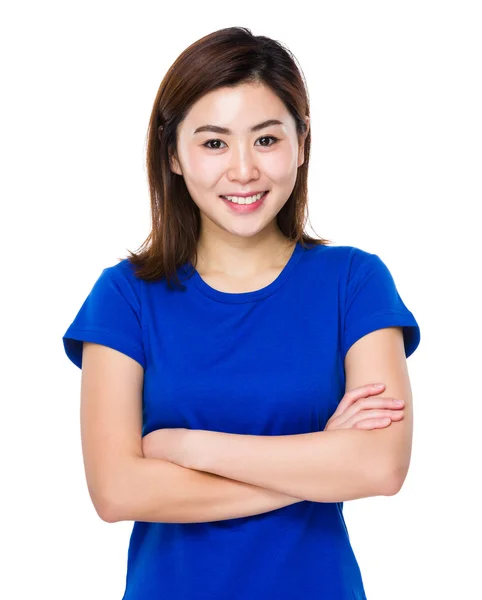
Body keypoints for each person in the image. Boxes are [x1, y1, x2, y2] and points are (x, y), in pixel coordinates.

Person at [62, 26, 420, 600]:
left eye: (266, 139)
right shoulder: (125, 296)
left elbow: (379, 467)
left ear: (300, 143)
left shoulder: (355, 281)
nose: (244, 171)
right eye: (213, 143)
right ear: (173, 156)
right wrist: (317, 464)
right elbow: (117, 491)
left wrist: (187, 447)